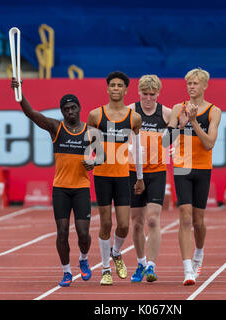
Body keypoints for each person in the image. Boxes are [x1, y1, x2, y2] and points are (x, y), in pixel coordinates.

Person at [10, 78, 104, 287]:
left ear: (79, 108)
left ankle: (83, 258)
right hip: (60, 189)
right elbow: (31, 114)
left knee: (82, 234)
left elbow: (102, 156)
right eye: (66, 109)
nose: (70, 112)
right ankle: (66, 272)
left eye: (73, 108)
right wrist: (20, 93)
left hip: (81, 189)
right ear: (62, 112)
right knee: (62, 232)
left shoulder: (92, 132)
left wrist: (93, 163)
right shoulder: (55, 127)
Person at [163, 68, 222, 285]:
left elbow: (209, 144)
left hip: (203, 167)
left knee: (198, 221)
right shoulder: (178, 108)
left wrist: (194, 122)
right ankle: (188, 269)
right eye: (189, 84)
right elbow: (165, 142)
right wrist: (180, 124)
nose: (192, 87)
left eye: (196, 83)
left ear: (205, 86)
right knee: (185, 216)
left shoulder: (214, 111)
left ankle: (199, 253)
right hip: (182, 166)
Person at [87, 71, 145, 285]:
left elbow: (137, 149)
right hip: (102, 176)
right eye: (112, 85)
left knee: (123, 226)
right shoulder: (96, 115)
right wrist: (93, 159)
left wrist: (139, 177)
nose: (116, 88)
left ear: (126, 90)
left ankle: (116, 252)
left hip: (123, 176)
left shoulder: (134, 118)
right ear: (107, 88)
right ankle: (105, 269)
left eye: (120, 85)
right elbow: (91, 146)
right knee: (105, 223)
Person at [126, 75, 171, 283]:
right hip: (133, 171)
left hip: (156, 171)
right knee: (136, 223)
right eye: (145, 94)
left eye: (153, 95)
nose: (148, 99)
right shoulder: (130, 111)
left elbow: (179, 132)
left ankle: (152, 265)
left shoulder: (166, 113)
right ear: (139, 93)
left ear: (158, 94)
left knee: (153, 219)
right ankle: (141, 262)